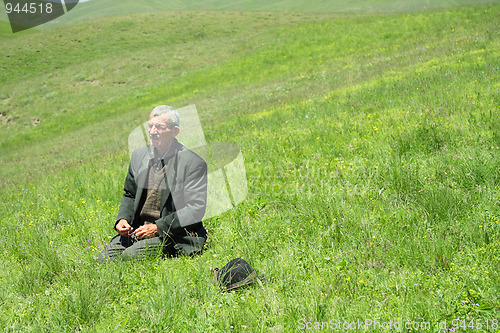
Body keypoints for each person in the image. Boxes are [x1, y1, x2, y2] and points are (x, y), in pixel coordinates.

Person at [96, 105, 208, 262]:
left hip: (174, 233)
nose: (152, 131)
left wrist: (158, 228)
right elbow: (130, 194)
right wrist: (122, 219)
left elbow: (195, 209)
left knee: (130, 258)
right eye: (150, 126)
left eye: (159, 127)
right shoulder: (138, 156)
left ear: (175, 131)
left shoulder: (193, 163)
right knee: (102, 261)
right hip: (138, 230)